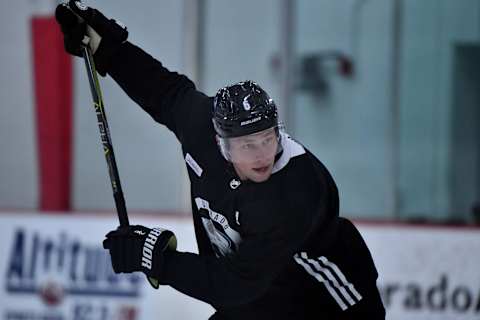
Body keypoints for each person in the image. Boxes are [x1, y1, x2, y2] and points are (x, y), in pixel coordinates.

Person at [56, 1, 386, 319]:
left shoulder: (295, 191)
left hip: (325, 307)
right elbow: (162, 91)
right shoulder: (201, 124)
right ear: (220, 142)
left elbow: (233, 285)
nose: (262, 155)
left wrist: (158, 259)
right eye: (247, 145)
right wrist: (105, 47)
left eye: (267, 139)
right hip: (257, 303)